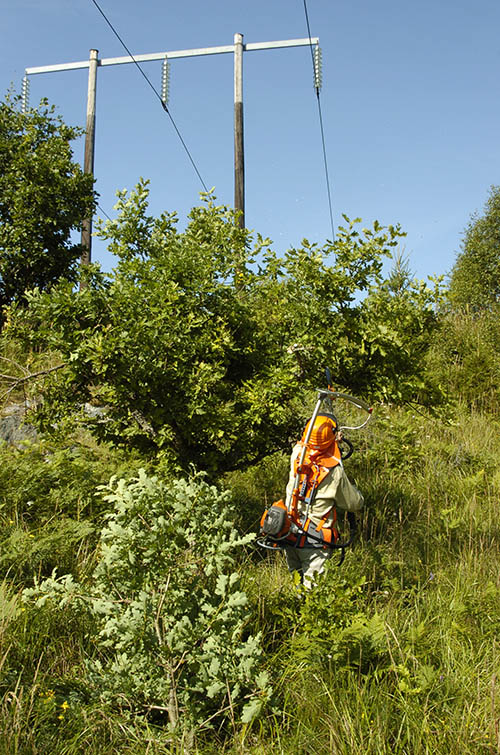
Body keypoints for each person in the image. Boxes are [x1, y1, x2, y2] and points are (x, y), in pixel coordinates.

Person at [283, 412, 364, 588]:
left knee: (295, 587)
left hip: (290, 531)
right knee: (313, 594)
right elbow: (353, 503)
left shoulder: (297, 454)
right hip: (315, 539)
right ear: (332, 437)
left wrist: (333, 440)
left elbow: (314, 447)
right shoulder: (335, 473)